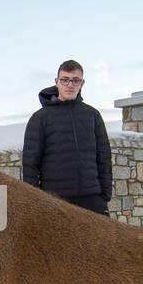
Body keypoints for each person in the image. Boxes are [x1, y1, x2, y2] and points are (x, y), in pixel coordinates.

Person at [21, 60, 112, 215]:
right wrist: (37, 201)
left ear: (82, 83)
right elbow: (30, 164)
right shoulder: (40, 118)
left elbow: (104, 157)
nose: (70, 84)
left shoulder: (92, 115)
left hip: (92, 199)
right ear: (57, 82)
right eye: (65, 79)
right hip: (56, 201)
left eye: (75, 80)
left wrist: (105, 195)